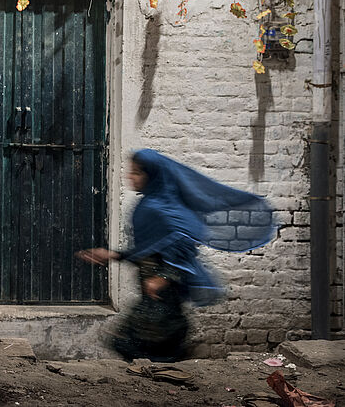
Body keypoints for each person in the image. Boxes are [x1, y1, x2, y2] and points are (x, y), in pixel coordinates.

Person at [77, 148, 276, 363]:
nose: (130, 177)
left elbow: (184, 250)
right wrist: (112, 255)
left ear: (152, 175)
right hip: (151, 295)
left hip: (164, 295)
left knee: (137, 344)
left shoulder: (166, 210)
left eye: (136, 172)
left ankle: (174, 371)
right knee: (140, 345)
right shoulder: (148, 205)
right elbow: (146, 250)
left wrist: (162, 278)